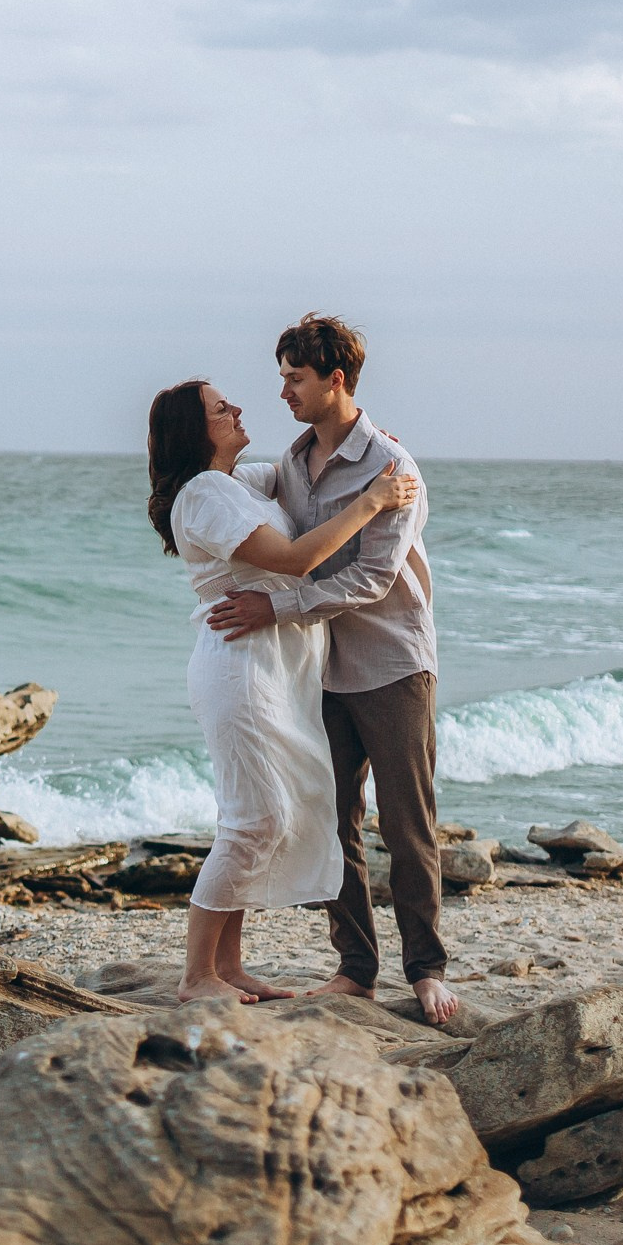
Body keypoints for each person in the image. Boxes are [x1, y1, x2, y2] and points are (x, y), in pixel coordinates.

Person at [204, 313, 456, 1023]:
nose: (282, 391)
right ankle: (356, 969)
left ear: (335, 380)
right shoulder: (290, 465)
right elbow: (223, 484)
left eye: (294, 378)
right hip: (322, 670)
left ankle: (427, 969)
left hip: (392, 663)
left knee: (408, 823)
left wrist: (273, 609)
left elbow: (372, 580)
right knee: (331, 818)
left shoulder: (393, 469)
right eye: (282, 377)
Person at [146, 378, 419, 1005]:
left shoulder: (240, 482)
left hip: (276, 670)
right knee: (255, 819)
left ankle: (230, 965)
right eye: (221, 409)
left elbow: (311, 463)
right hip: (240, 670)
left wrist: (372, 449)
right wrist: (375, 500)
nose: (238, 408)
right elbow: (294, 559)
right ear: (196, 431)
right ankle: (195, 977)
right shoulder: (205, 493)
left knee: (262, 817)